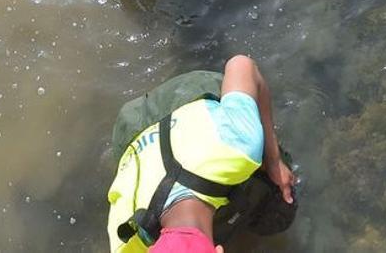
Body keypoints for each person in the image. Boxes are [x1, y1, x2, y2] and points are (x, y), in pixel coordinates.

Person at [107, 56, 297, 252]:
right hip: (134, 140)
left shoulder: (237, 146)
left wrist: (273, 160)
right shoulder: (124, 242)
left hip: (180, 101)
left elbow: (241, 65)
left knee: (278, 202)